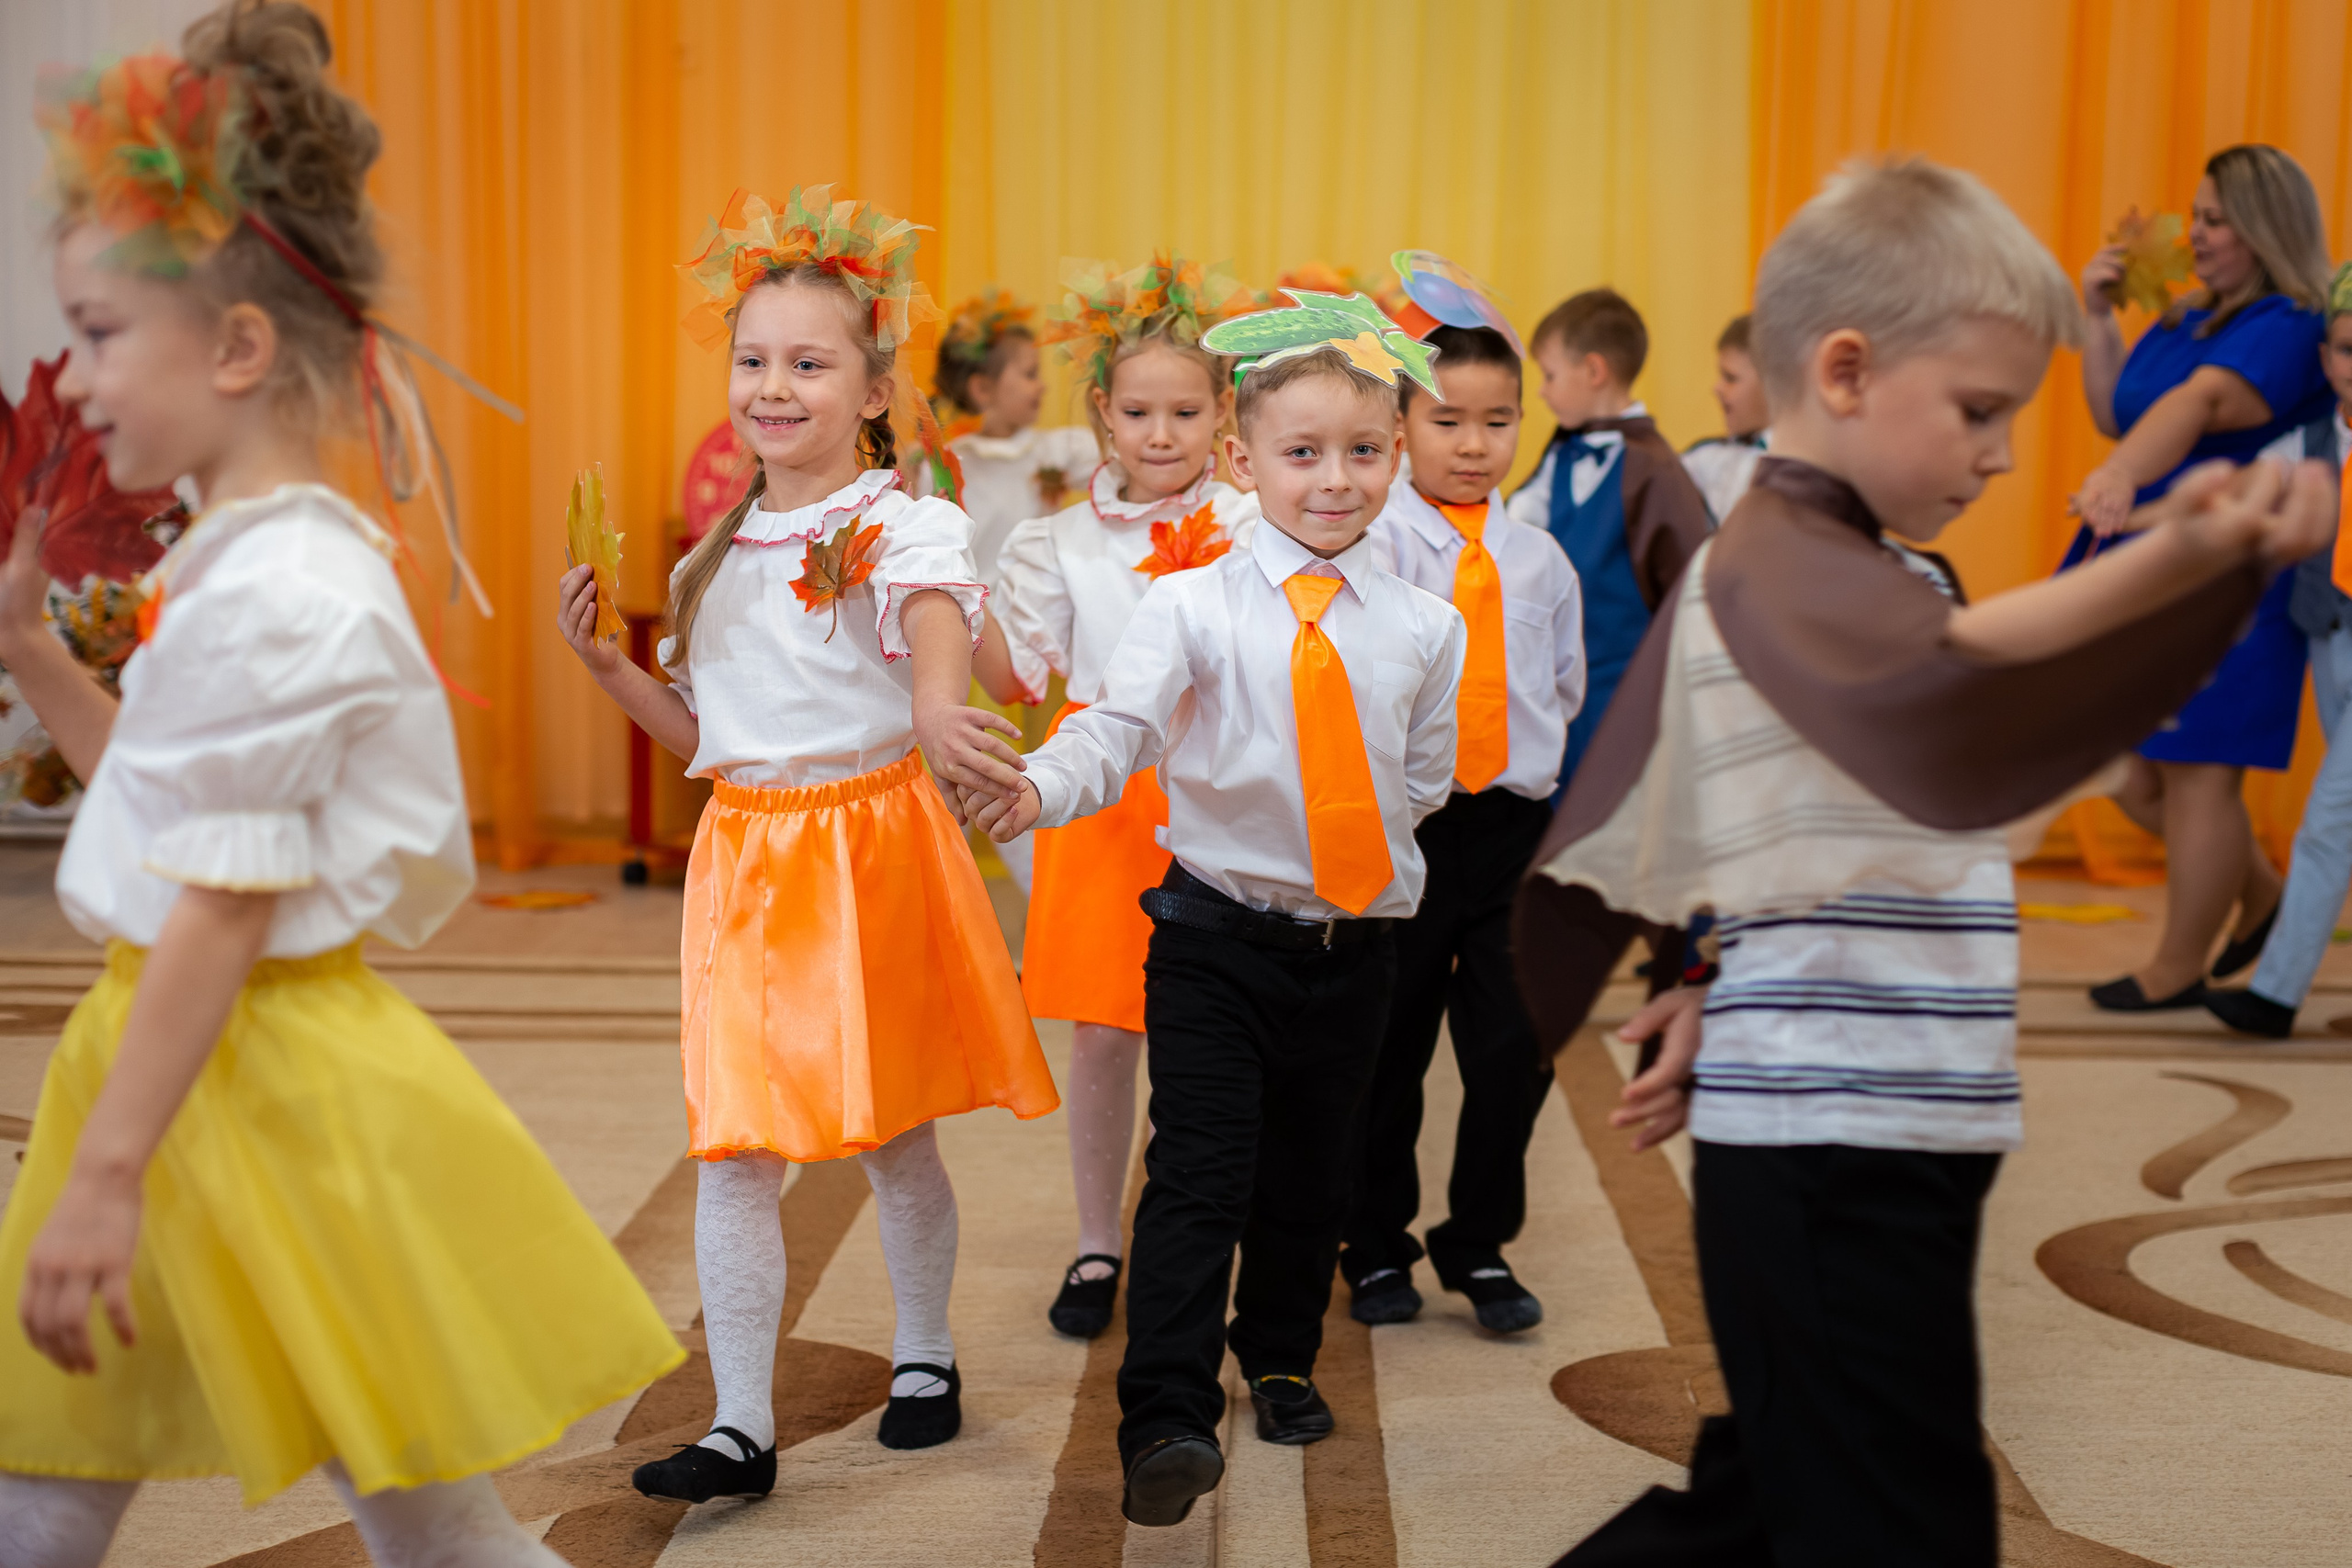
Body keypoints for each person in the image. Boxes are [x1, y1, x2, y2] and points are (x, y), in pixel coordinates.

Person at [1514, 156, 2329, 1568]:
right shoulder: (1777, 556)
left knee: (1798, 1485)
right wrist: (2188, 555)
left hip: (1883, 1102)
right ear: (1844, 371)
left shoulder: (1847, 566)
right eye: (1979, 410)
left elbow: (1769, 819)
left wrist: (1712, 978)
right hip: (1831, 1126)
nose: (2001, 454)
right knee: (1898, 1508)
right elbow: (1965, 679)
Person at [0, 10, 684, 1565]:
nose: (75, 379)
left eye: (101, 333)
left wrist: (105, 1171)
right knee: (52, 1473)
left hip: (251, 1078)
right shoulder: (237, 558)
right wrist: (31, 647)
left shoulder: (283, 593)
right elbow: (161, 816)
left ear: (239, 348)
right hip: (169, 1046)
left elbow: (223, 902)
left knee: (430, 1527)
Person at [559, 184, 1059, 1504]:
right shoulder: (713, 557)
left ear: (874, 389)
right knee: (734, 1144)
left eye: (808, 364)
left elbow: (935, 616)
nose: (772, 388)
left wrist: (941, 709)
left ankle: (925, 1354)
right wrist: (611, 667)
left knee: (892, 1135)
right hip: (745, 862)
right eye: (753, 361)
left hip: (869, 852)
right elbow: (711, 738)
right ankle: (740, 1425)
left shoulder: (901, 521)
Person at [967, 295, 1465, 1527]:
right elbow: (1119, 729)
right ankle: (1167, 1416)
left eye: (1363, 450)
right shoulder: (1190, 605)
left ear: (1397, 455)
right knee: (1197, 1172)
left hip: (1353, 945)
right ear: (1245, 463)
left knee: (1313, 1172)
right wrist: (1039, 786)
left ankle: (1282, 1354)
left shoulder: (1426, 625)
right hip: (1210, 935)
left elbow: (1422, 779)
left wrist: (1349, 864)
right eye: (1302, 452)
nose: (1335, 478)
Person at [973, 255, 1253, 1341]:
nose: (1161, 434)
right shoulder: (1056, 542)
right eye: (1137, 412)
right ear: (1100, 411)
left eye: (1186, 412)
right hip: (1102, 799)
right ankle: (1098, 1242)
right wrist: (948, 578)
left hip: (1220, 794)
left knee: (1217, 1037)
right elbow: (1015, 678)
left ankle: (1212, 1233)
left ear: (1222, 412)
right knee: (1102, 1036)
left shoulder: (1250, 521)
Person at [1342, 310, 1585, 1335]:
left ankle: (1478, 1238)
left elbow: (1561, 687)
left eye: (1499, 421)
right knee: (1386, 1046)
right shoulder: (1372, 543)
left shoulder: (1541, 560)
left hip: (1513, 832)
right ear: (1401, 425)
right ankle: (1373, 1242)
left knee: (1516, 1044)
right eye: (1448, 421)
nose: (1474, 445)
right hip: (1407, 826)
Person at [2066, 144, 2336, 1012]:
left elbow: (2198, 405)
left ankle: (2178, 965)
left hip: (2229, 571)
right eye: (2197, 216)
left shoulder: (2291, 322)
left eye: (2217, 219)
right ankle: (2259, 894)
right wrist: (2096, 317)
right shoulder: (2188, 317)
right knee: (2123, 764)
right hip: (2148, 552)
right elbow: (2119, 412)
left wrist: (2116, 477)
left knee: (2198, 771)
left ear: (2265, 228)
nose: (2198, 234)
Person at [2208, 262, 2352, 1038]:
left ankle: (2275, 993)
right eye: (2349, 350)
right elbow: (2237, 498)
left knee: (2329, 818)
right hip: (2331, 637)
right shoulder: (2307, 445)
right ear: (2327, 359)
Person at [1505, 287, 1711, 794]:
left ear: (1593, 371)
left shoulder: (1656, 471)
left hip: (1620, 697)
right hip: (1550, 686)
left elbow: (1692, 588)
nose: (1542, 393)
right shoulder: (1561, 451)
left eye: (1550, 376)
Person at [1680, 313, 1771, 522]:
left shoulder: (1796, 466)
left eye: (1730, 378)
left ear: (1771, 385)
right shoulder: (1702, 459)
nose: (1717, 388)